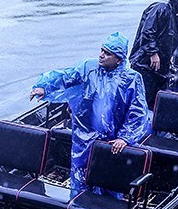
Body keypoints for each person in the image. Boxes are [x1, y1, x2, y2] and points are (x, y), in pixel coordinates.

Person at [30, 32, 152, 198]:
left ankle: (107, 208)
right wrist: (45, 87)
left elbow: (138, 111)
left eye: (108, 53)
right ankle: (79, 204)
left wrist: (125, 138)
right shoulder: (88, 67)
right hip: (85, 135)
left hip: (114, 139)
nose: (102, 55)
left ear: (119, 59)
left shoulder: (131, 79)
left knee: (109, 174)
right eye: (102, 50)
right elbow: (66, 76)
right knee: (81, 172)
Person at [129, 0, 178, 110]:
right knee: (140, 99)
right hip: (143, 64)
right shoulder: (161, 8)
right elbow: (147, 31)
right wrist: (152, 53)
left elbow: (171, 42)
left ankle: (151, 124)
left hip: (161, 67)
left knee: (155, 101)